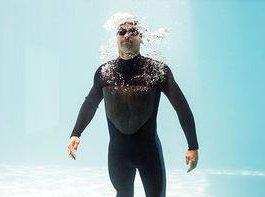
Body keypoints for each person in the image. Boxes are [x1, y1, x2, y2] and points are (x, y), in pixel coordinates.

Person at [67, 17, 199, 197]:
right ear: (116, 37)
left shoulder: (157, 70)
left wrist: (193, 145)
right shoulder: (104, 72)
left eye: (132, 32)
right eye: (121, 32)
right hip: (118, 155)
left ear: (141, 38)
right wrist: (76, 133)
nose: (126, 35)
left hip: (149, 154)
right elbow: (90, 104)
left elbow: (181, 107)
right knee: (122, 194)